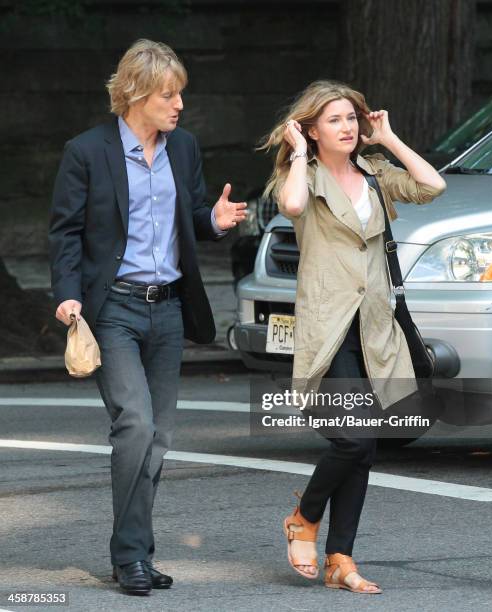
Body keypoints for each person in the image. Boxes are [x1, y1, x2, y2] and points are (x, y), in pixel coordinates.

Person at [48, 39, 247, 596]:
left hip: (169, 311)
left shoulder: (182, 148)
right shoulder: (86, 151)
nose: (179, 103)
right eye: (168, 94)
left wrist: (215, 218)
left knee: (157, 438)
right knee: (134, 425)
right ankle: (130, 556)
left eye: (180, 93)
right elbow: (64, 231)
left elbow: (191, 217)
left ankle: (136, 552)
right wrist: (67, 294)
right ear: (136, 94)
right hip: (113, 309)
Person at [261, 80, 446, 594]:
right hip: (331, 326)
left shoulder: (375, 173)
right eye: (334, 120)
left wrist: (389, 139)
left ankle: (341, 558)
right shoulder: (307, 177)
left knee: (365, 448)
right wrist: (298, 153)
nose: (346, 127)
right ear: (312, 129)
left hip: (374, 326)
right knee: (353, 438)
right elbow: (293, 206)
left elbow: (433, 187)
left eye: (351, 118)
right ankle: (303, 516)